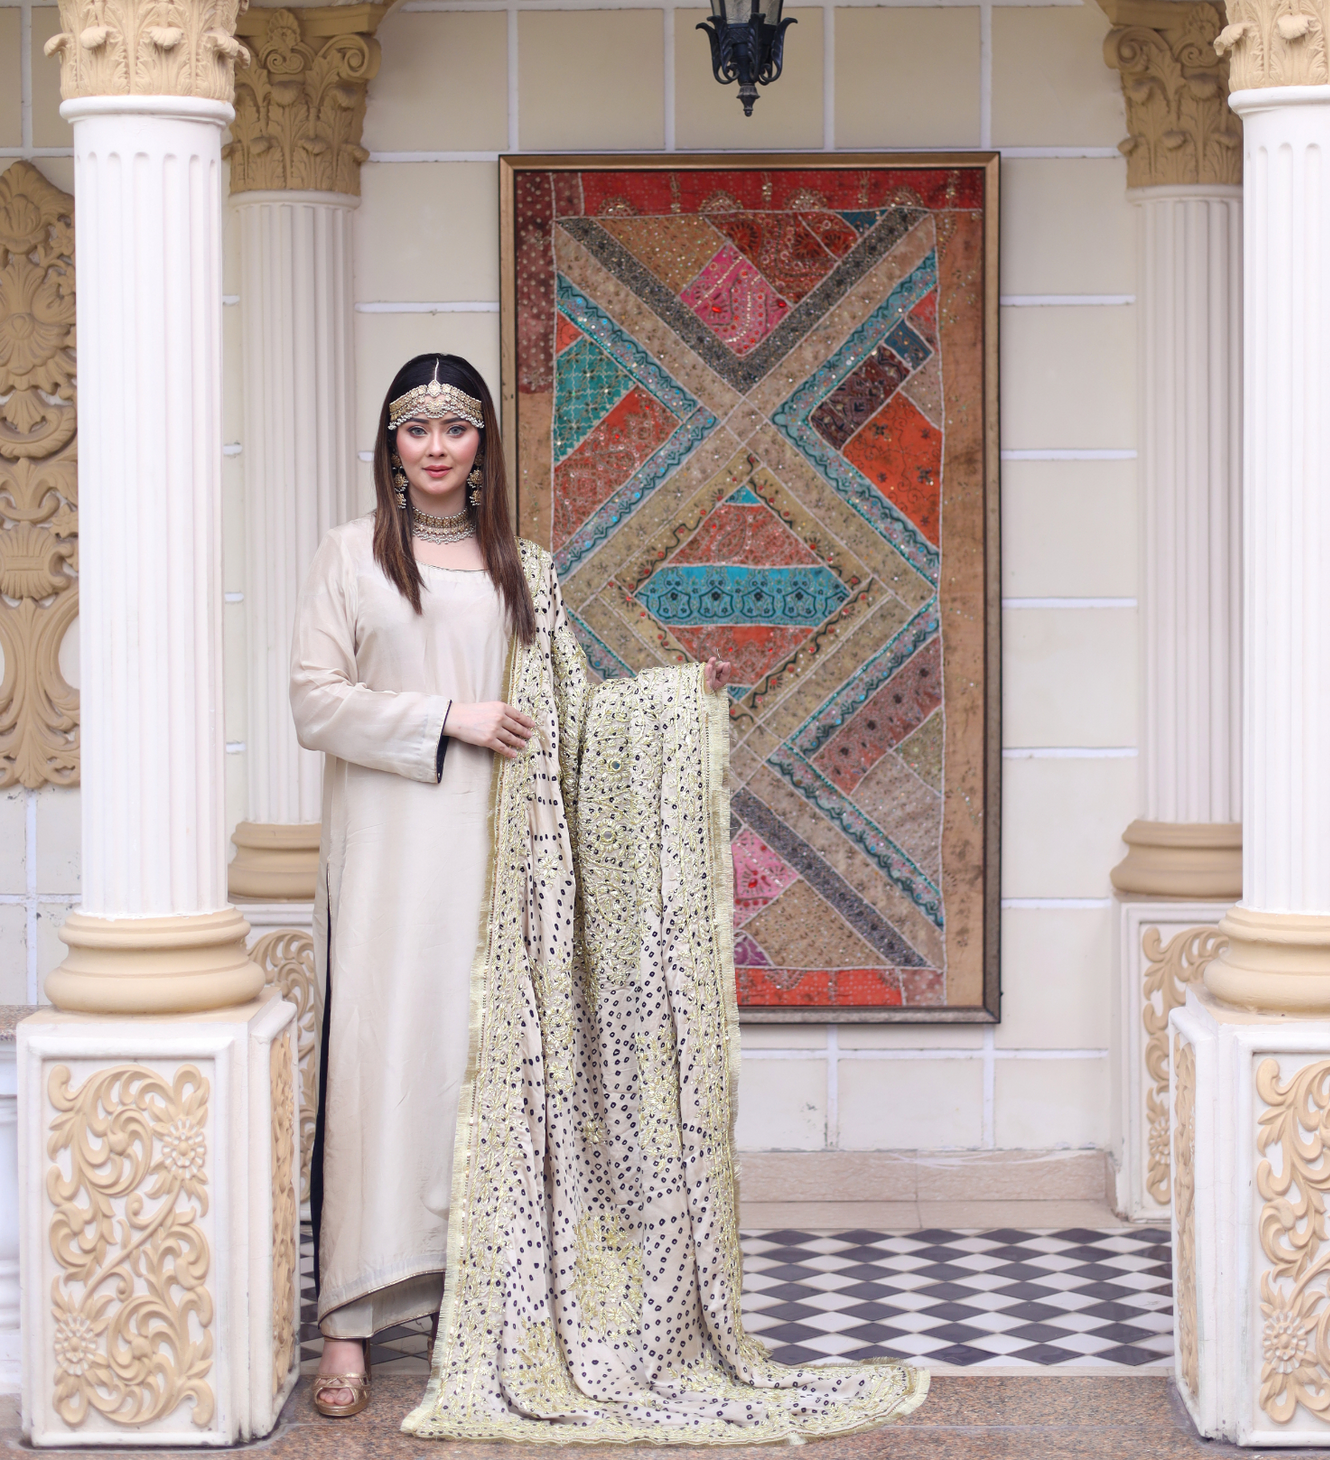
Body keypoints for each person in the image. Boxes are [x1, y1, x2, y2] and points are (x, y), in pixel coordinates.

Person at [291, 352, 926, 1441]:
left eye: (455, 427)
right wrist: (450, 716)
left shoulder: (522, 570)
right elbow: (315, 702)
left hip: (508, 862)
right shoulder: (351, 559)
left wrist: (676, 708)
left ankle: (474, 1300)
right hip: (392, 855)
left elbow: (571, 715)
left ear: (483, 443)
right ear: (389, 446)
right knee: (383, 1069)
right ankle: (347, 1320)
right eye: (415, 429)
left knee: (482, 1076)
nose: (436, 447)